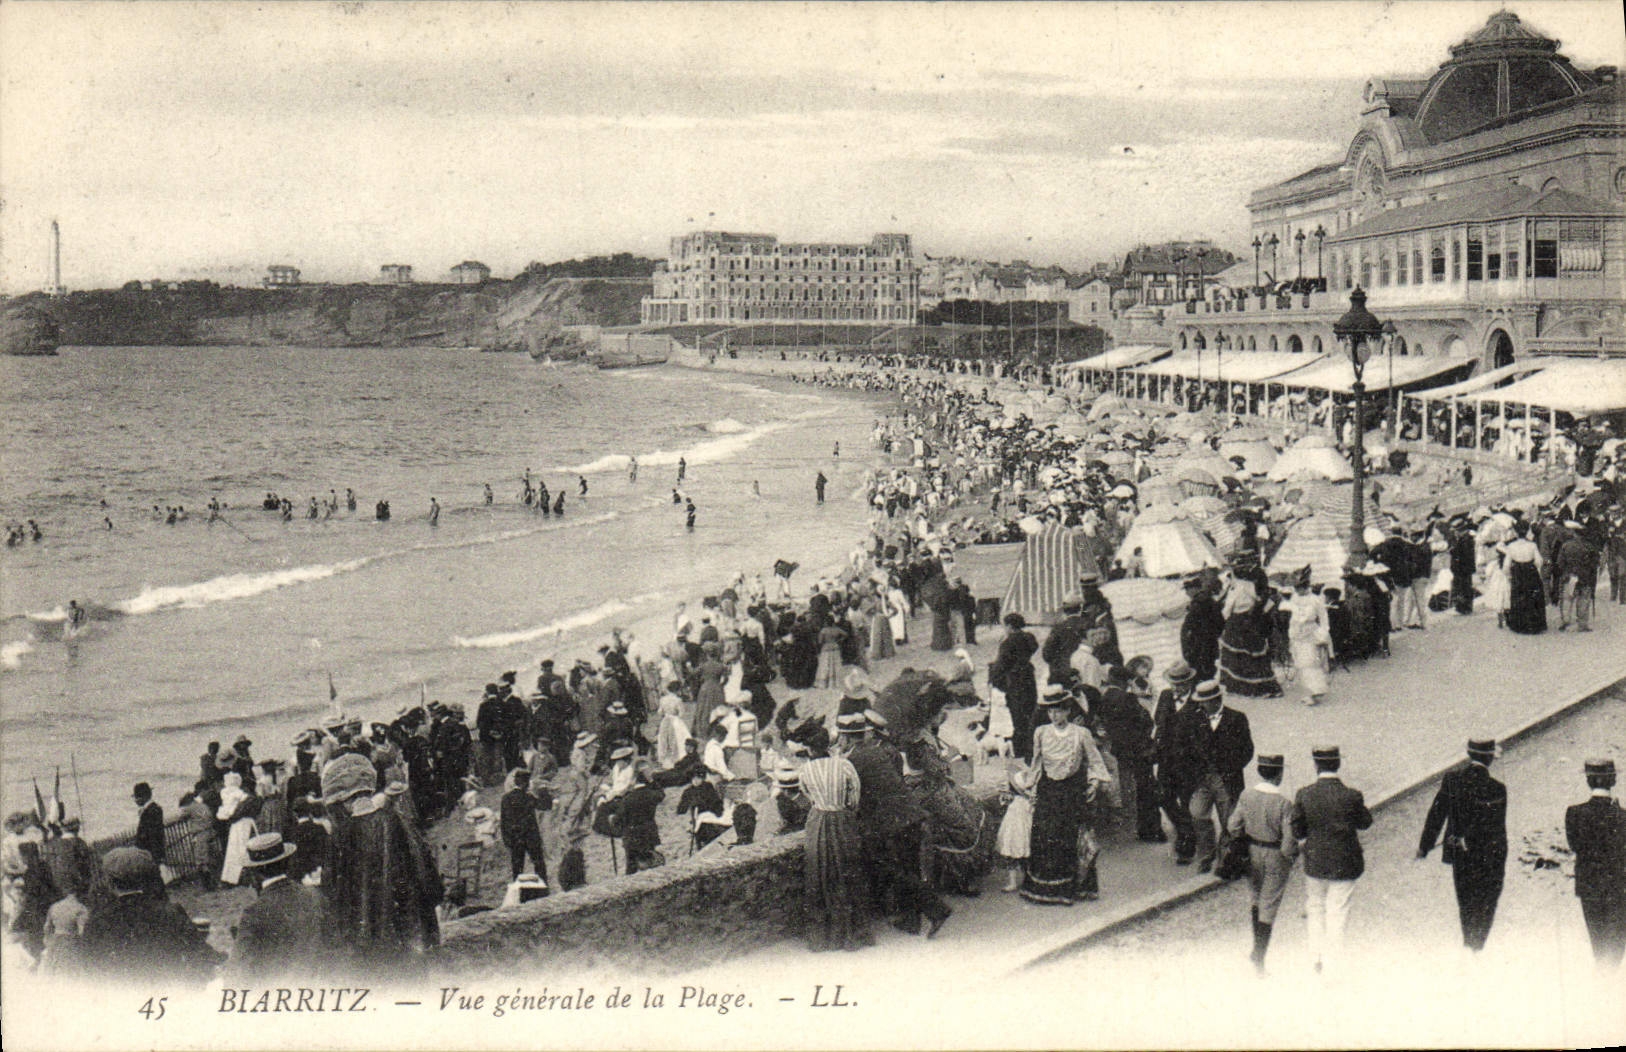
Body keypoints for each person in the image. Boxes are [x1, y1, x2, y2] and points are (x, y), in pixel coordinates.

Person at [849, 709, 952, 936]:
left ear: (845, 738)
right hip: (910, 815)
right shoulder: (885, 753)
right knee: (909, 867)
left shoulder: (853, 760)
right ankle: (911, 920)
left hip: (892, 822)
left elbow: (857, 797)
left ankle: (935, 909)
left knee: (893, 869)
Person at [1021, 684, 1111, 905]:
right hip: (1049, 791)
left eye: (1059, 710)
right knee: (1044, 837)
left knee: (1069, 839)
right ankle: (1044, 889)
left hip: (1072, 792)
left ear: (1068, 710)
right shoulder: (1041, 732)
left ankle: (1070, 889)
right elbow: (1037, 763)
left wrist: (1095, 781)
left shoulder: (1081, 734)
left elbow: (1095, 761)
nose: (1054, 715)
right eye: (1050, 711)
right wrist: (1030, 786)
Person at [1417, 738, 1508, 955]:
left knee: (1465, 899)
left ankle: (1468, 943)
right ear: (1489, 758)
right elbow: (1497, 828)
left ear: (1469, 754)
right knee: (1486, 901)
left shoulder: (1452, 780)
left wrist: (1425, 846)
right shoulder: (1497, 788)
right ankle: (1477, 945)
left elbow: (1437, 814)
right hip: (1488, 856)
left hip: (1459, 851)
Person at [77, 847, 218, 985]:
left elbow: (89, 969)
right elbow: (202, 955)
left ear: (110, 882)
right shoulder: (170, 912)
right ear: (146, 879)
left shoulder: (98, 921)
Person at [1291, 744, 1373, 976]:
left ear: (1316, 765)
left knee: (1315, 906)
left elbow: (1298, 830)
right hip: (1345, 861)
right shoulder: (1351, 795)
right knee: (1338, 910)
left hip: (1315, 860)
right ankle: (1333, 961)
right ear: (1338, 763)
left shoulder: (1304, 794)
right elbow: (1365, 822)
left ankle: (1315, 956)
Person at [225, 832, 331, 982]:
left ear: (254, 873)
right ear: (287, 863)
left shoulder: (254, 912)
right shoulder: (314, 895)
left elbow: (238, 970)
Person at [1226, 753, 1298, 974]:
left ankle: (1256, 949)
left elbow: (1233, 826)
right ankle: (1259, 955)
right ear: (1279, 775)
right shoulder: (1284, 804)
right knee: (1269, 903)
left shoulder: (1247, 795)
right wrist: (1291, 857)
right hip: (1275, 855)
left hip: (1252, 852)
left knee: (1256, 898)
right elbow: (1288, 843)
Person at [800, 736, 873, 951]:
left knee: (819, 873)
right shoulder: (844, 765)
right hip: (842, 820)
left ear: (810, 749)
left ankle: (822, 938)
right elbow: (855, 799)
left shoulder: (805, 770)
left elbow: (808, 795)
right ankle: (851, 934)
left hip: (818, 822)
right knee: (847, 872)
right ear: (828, 747)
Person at [1174, 680, 1253, 873]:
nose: (1202, 705)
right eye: (1201, 702)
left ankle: (1226, 859)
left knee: (1228, 819)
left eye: (1206, 701)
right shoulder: (1193, 720)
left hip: (1226, 778)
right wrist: (1193, 773)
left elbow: (1247, 749)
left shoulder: (1236, 718)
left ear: (1217, 700)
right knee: (1198, 814)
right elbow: (1183, 749)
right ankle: (1206, 855)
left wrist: (1232, 768)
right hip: (1202, 779)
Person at [1565, 757, 1626, 968]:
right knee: (1616, 946)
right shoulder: (1622, 815)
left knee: (1598, 944)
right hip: (1619, 888)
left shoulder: (1574, 813)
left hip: (1589, 887)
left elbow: (1575, 845)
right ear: (1614, 780)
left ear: (1588, 781)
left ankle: (1601, 986)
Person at [1153, 661, 1200, 863]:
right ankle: (1186, 830)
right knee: (1164, 798)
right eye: (1174, 683)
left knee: (1188, 801)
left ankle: (1186, 847)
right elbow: (1158, 719)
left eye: (1181, 683)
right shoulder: (1165, 696)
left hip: (1188, 763)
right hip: (1166, 761)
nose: (1177, 687)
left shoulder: (1198, 701)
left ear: (1189, 682)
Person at [499, 768, 552, 883]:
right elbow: (545, 806)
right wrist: (543, 790)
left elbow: (503, 821)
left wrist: (506, 839)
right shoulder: (528, 797)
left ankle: (518, 892)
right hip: (531, 837)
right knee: (539, 864)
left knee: (517, 869)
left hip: (515, 838)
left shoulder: (506, 798)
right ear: (525, 783)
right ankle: (544, 888)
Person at [996, 764, 1036, 893]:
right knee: (1012, 845)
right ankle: (1012, 881)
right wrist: (1007, 794)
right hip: (1015, 814)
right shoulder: (1016, 772)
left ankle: (1028, 879)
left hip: (1027, 812)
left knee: (1026, 847)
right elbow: (1008, 795)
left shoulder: (1033, 774)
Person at [1503, 522, 1547, 634]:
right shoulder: (1532, 545)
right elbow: (1539, 561)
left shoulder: (1511, 546)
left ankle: (1520, 625)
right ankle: (1535, 624)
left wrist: (1508, 576)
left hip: (1518, 572)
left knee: (1519, 597)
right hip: (1530, 571)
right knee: (1533, 597)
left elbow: (1506, 565)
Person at [132, 782, 166, 870]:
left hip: (149, 852)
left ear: (144, 797)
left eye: (136, 797)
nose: (135, 800)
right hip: (153, 851)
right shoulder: (154, 808)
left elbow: (152, 834)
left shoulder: (151, 811)